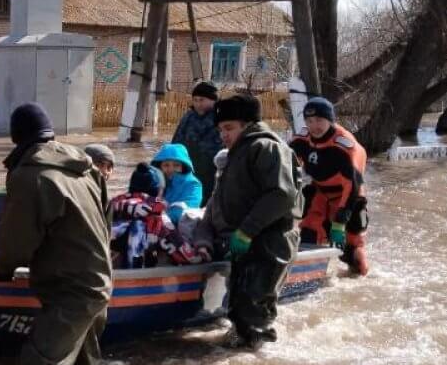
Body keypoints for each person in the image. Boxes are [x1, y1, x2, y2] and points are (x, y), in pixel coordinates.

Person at [0, 102, 113, 365]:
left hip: (71, 289)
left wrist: (3, 269)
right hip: (99, 281)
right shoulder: (86, 168)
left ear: (16, 138)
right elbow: (105, 219)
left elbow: (17, 238)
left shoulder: (31, 176)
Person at [194, 92, 302, 351]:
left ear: (248, 124)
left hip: (269, 242)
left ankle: (258, 362)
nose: (223, 135)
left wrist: (246, 231)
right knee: (241, 309)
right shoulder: (238, 152)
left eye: (229, 128)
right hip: (247, 242)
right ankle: (240, 355)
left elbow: (281, 194)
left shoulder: (265, 147)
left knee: (254, 309)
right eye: (220, 129)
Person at [290, 97, 370, 276]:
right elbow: (287, 167)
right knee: (309, 232)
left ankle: (358, 277)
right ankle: (305, 275)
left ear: (330, 120)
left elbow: (353, 187)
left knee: (353, 254)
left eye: (319, 120)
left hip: (349, 197)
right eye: (309, 121)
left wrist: (340, 222)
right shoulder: (302, 139)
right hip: (320, 193)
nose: (314, 126)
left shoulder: (344, 147)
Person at [110, 163, 172, 269]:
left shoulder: (114, 204)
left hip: (109, 266)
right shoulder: (158, 215)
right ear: (159, 191)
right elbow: (177, 245)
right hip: (137, 271)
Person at [171, 81, 223, 204]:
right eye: (195, 100)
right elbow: (176, 144)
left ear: (213, 100)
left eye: (202, 100)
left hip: (212, 173)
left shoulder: (221, 119)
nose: (198, 104)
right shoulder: (188, 118)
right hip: (188, 172)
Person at [151, 142, 203, 222]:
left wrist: (158, 218)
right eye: (166, 165)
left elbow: (184, 212)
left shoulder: (193, 184)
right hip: (155, 225)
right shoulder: (156, 183)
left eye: (176, 165)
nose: (171, 169)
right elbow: (149, 201)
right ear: (159, 167)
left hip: (181, 229)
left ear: (184, 166)